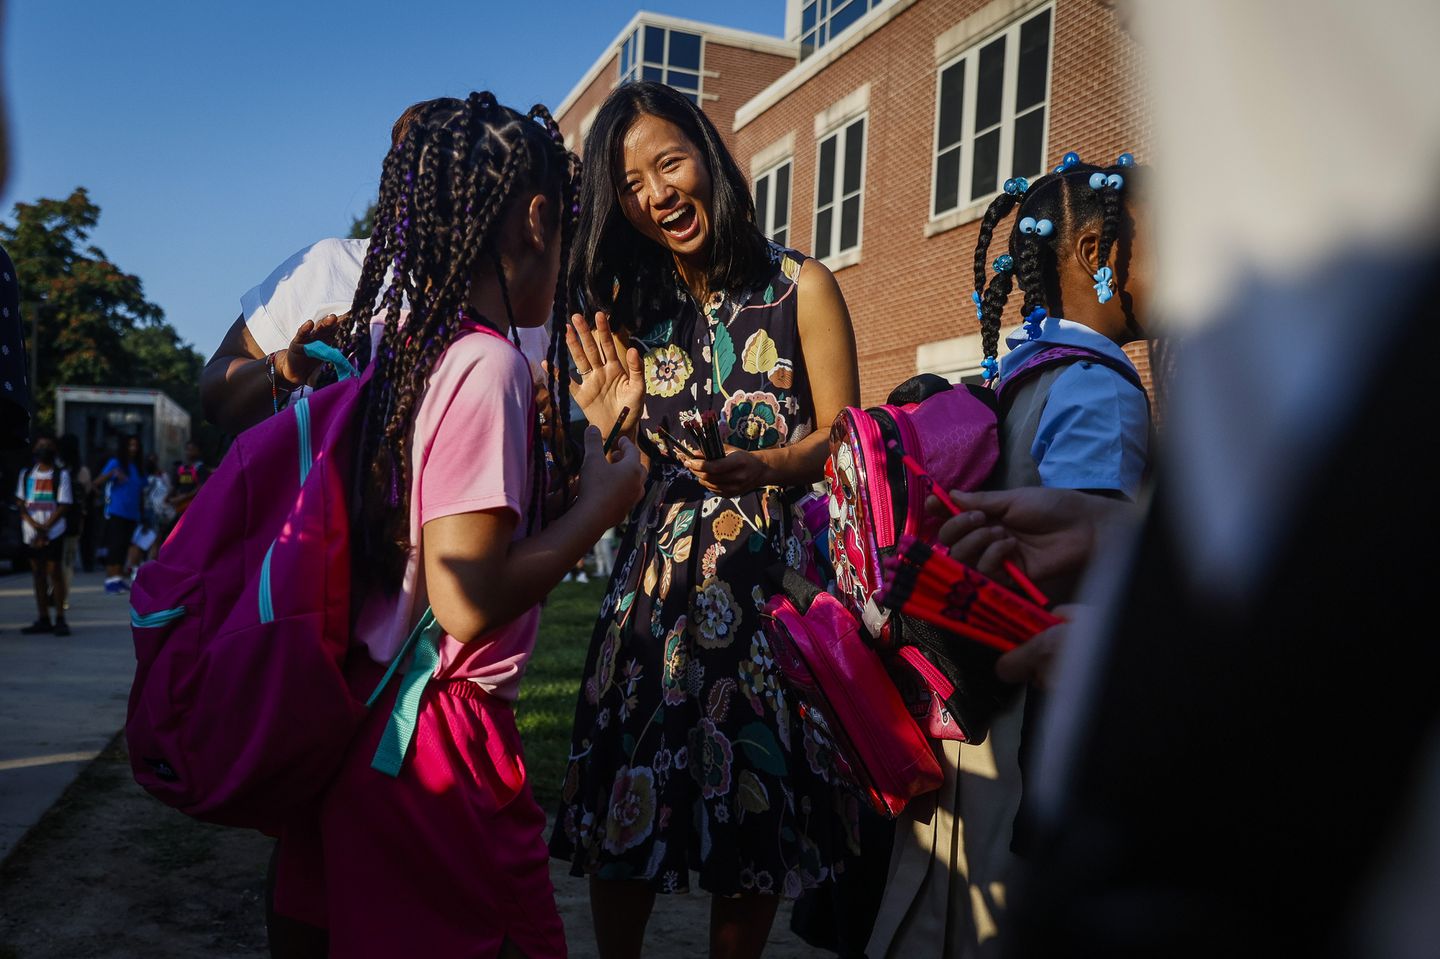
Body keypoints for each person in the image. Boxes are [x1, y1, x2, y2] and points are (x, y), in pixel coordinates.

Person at [269, 92, 645, 959]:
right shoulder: (489, 363)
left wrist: (590, 445)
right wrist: (601, 507)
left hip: (367, 714)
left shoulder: (418, 353)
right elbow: (466, 596)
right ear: (541, 215)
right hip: (440, 742)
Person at [548, 80, 862, 959]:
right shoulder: (635, 316)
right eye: (633, 184)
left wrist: (771, 464)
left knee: (750, 808)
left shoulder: (802, 284)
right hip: (652, 598)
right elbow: (617, 473)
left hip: (766, 589)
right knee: (628, 803)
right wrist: (609, 426)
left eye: (669, 163)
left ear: (708, 155)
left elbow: (844, 434)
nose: (656, 194)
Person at [867, 152, 1153, 959]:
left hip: (970, 704)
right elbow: (1083, 570)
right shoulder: (1101, 390)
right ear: (1100, 258)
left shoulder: (1024, 375)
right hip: (1040, 717)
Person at [199, 102, 555, 438]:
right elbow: (215, 396)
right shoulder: (328, 266)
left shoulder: (518, 309)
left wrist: (541, 425)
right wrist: (286, 370)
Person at [14, 432, 72, 635]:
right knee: (37, 574)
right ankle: (43, 617)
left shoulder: (60, 474)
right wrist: (34, 525)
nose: (43, 448)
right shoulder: (27, 474)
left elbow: (64, 504)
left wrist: (46, 526)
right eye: (40, 444)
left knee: (54, 573)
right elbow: (21, 503)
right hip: (32, 532)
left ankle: (60, 619)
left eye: (48, 445)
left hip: (53, 531)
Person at [95, 434, 143, 593]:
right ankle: (111, 580)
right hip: (117, 511)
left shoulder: (135, 466)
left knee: (124, 546)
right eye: (130, 445)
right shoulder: (116, 463)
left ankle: (119, 578)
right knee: (115, 545)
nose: (133, 449)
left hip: (132, 513)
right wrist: (112, 474)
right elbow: (98, 481)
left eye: (135, 445)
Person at [57, 433, 90, 605]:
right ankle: (63, 597)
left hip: (53, 521)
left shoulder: (55, 468)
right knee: (68, 561)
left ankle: (54, 592)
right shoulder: (82, 471)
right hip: (74, 521)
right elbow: (85, 497)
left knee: (55, 560)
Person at [165, 439, 208, 524]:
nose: (189, 452)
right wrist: (166, 499)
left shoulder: (201, 468)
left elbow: (200, 488)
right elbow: (174, 486)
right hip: (180, 507)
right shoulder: (181, 469)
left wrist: (183, 497)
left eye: (192, 450)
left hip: (194, 507)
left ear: (198, 452)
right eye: (187, 449)